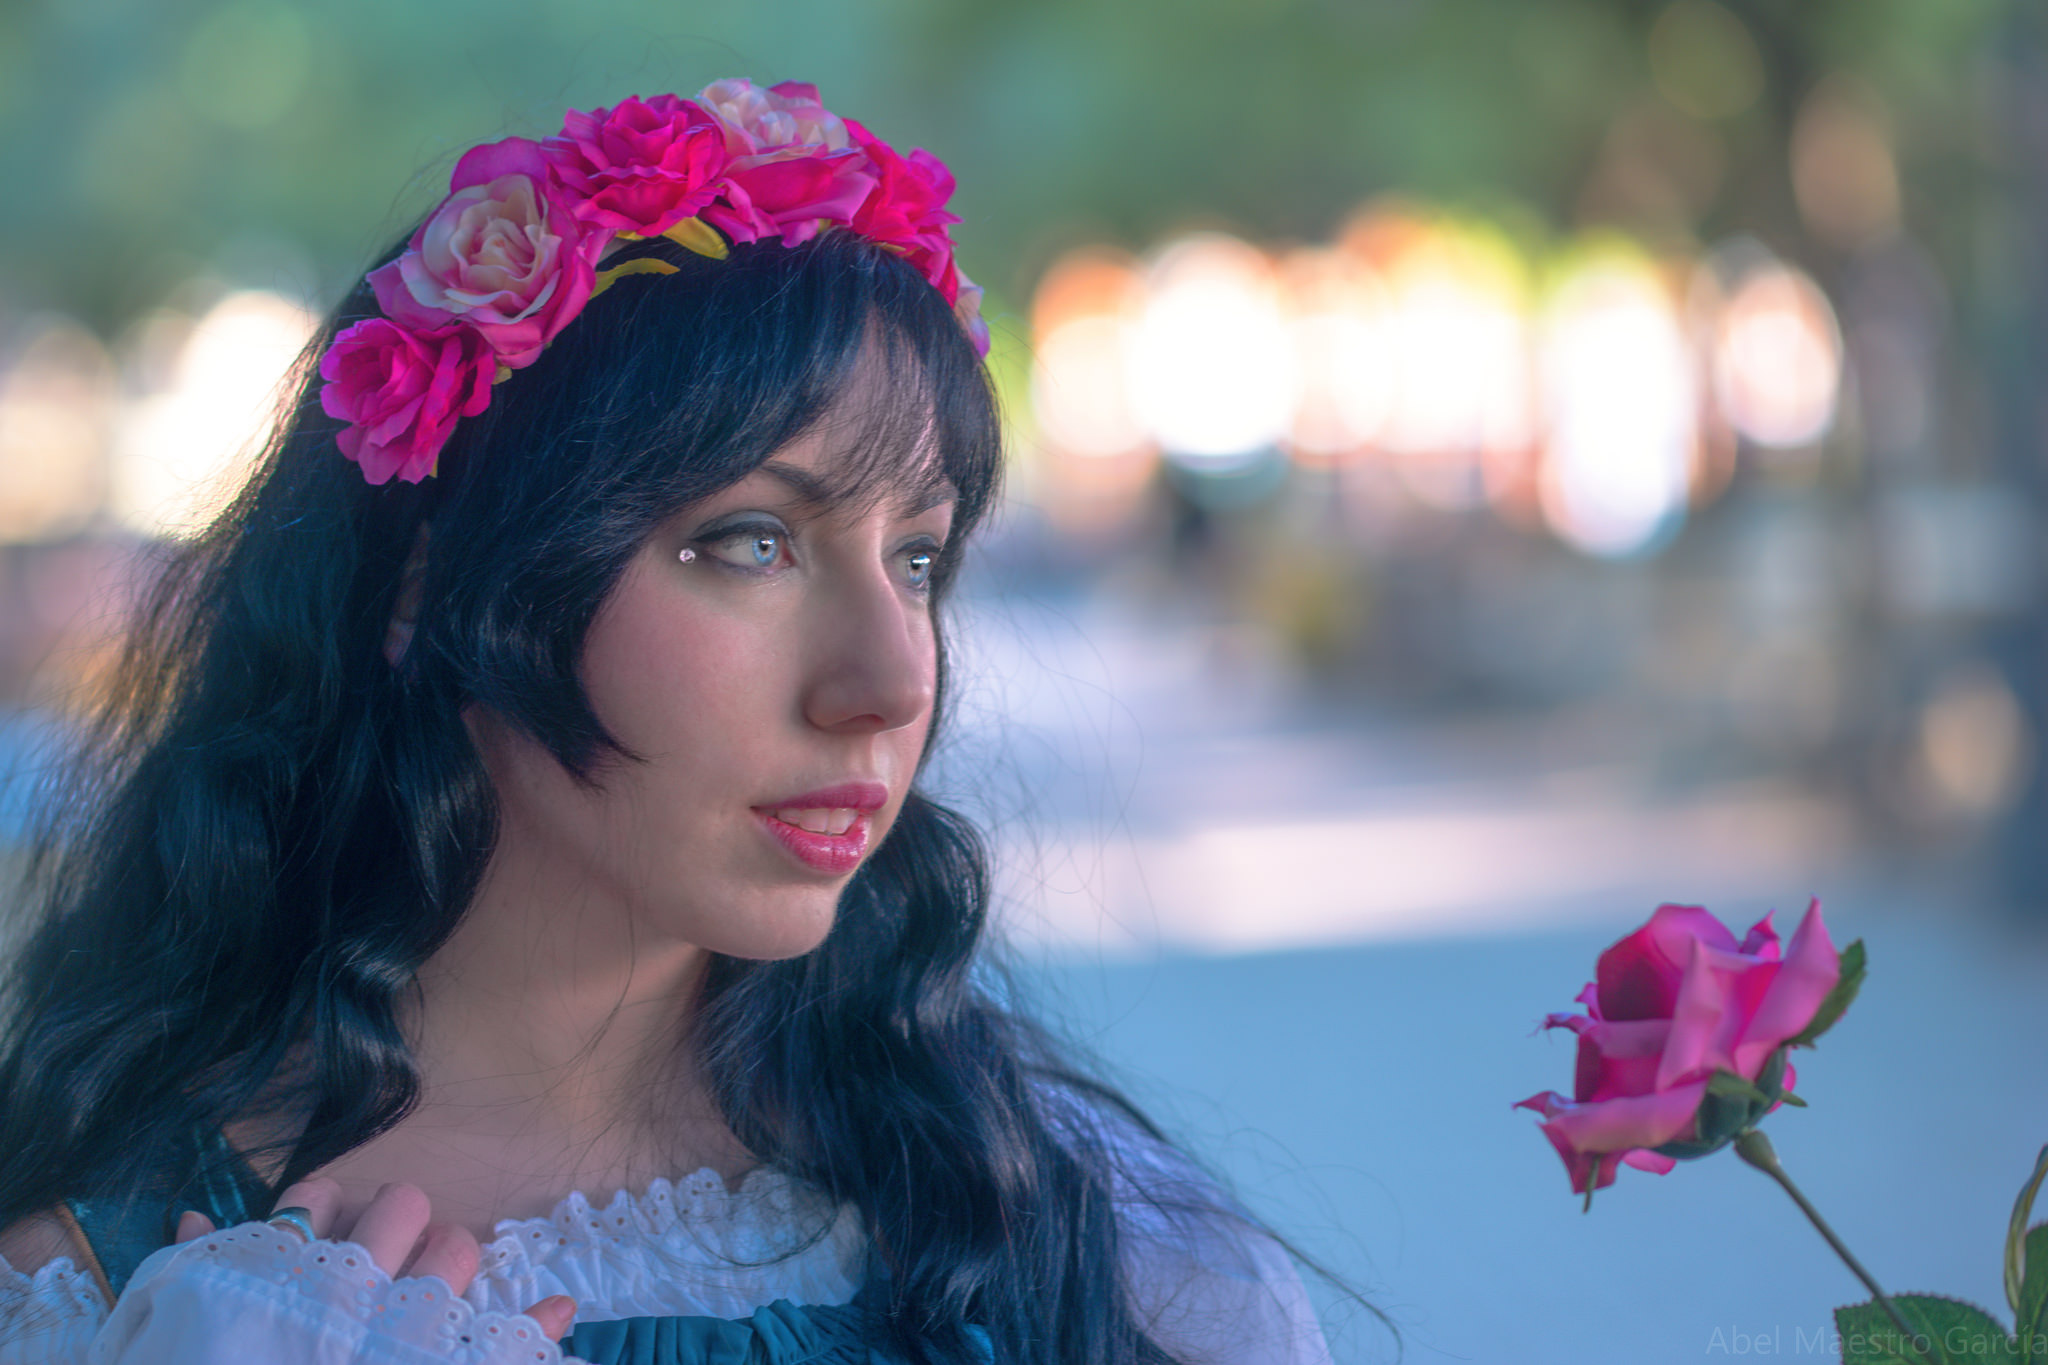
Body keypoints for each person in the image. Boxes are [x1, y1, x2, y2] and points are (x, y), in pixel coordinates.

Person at [0, 80, 1339, 1364]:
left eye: (917, 560)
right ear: (429, 581)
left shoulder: (1099, 1255)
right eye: (751, 542)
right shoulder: (88, 1290)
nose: (887, 681)